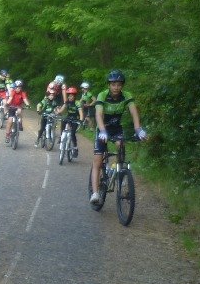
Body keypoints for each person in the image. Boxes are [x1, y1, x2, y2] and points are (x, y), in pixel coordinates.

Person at [90, 70, 147, 204]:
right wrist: (102, 130)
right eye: (113, 84)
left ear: (122, 86)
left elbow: (133, 113)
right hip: (103, 128)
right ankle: (95, 193)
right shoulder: (102, 95)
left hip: (116, 129)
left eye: (119, 84)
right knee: (98, 160)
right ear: (109, 85)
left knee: (120, 146)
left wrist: (138, 129)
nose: (116, 87)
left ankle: (120, 172)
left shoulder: (126, 96)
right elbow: (98, 114)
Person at [56, 86, 84, 157]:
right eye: (69, 95)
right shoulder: (66, 102)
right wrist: (57, 113)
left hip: (75, 118)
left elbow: (81, 113)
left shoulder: (77, 103)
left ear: (74, 96)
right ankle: (61, 136)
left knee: (72, 133)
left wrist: (80, 120)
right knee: (63, 121)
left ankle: (75, 148)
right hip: (68, 116)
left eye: (71, 96)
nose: (70, 97)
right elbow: (61, 110)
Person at [4, 79, 32, 143]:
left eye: (19, 87)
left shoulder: (22, 93)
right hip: (12, 107)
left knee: (19, 111)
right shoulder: (13, 92)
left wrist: (27, 105)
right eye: (16, 87)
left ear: (21, 88)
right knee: (10, 121)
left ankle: (19, 123)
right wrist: (7, 103)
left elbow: (25, 99)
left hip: (19, 107)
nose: (17, 89)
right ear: (14, 87)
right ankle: (7, 135)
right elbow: (10, 98)